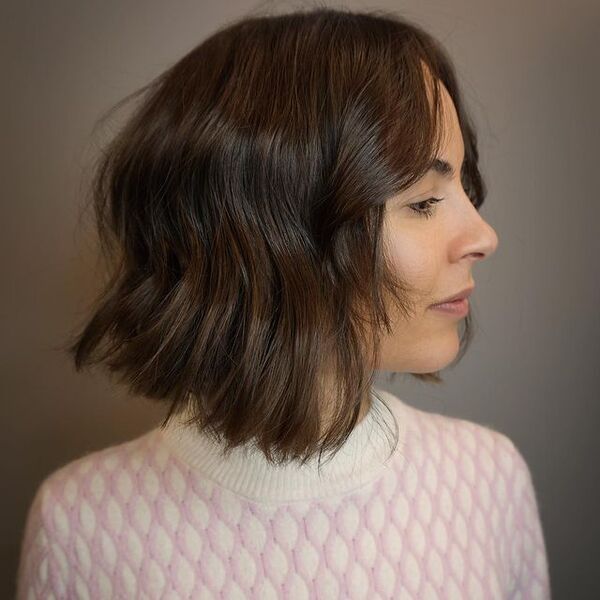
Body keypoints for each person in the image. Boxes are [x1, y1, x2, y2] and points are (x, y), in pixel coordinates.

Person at [16, 6, 551, 598]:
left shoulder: (487, 482)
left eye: (463, 189)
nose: (484, 236)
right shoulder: (82, 530)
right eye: (423, 201)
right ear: (276, 235)